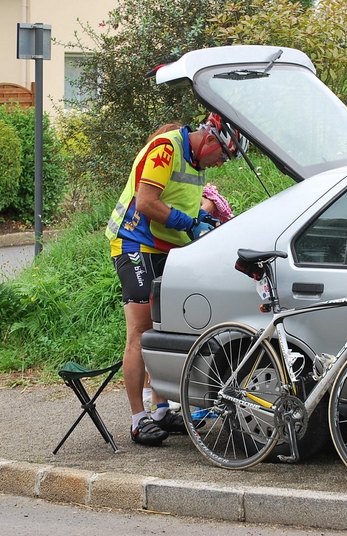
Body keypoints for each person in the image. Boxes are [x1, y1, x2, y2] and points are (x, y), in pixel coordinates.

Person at [105, 113, 244, 446]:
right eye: (222, 155)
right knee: (141, 330)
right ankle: (139, 420)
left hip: (167, 246)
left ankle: (160, 410)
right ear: (211, 140)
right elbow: (147, 202)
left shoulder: (197, 163)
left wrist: (202, 224)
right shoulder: (166, 149)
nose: (222, 163)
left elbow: (182, 206)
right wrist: (188, 222)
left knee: (164, 328)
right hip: (135, 242)